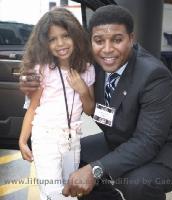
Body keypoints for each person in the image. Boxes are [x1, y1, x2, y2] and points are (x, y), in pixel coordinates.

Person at [20, 5, 172, 200]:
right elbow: (56, 55)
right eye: (99, 41)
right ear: (90, 41)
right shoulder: (92, 64)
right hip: (121, 139)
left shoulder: (154, 76)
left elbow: (147, 142)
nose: (107, 49)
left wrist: (96, 169)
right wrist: (29, 76)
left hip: (168, 150)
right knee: (75, 157)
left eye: (117, 40)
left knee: (135, 183)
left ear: (131, 39)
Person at [18, 7, 95, 200]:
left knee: (70, 191)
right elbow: (33, 108)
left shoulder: (87, 68)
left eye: (65, 36)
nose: (60, 43)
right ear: (45, 43)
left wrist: (83, 90)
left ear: (75, 35)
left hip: (72, 139)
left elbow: (90, 110)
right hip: (45, 136)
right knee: (53, 192)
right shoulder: (43, 68)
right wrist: (22, 140)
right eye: (52, 39)